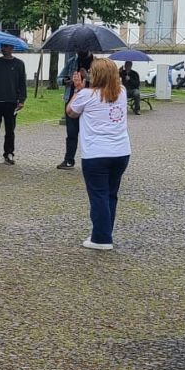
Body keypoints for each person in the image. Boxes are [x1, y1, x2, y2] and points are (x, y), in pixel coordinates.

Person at [66, 58, 131, 251]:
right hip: (121, 152)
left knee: (98, 195)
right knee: (110, 194)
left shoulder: (87, 95)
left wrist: (77, 90)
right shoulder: (122, 92)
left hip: (96, 153)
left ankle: (101, 238)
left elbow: (71, 112)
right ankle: (105, 232)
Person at [0, 43, 26, 164]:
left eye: (6, 47)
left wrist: (22, 100)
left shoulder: (19, 64)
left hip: (12, 102)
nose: (3, 49)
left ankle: (9, 153)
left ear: (12, 48)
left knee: (10, 130)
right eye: (2, 46)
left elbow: (22, 83)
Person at [57, 50, 94, 170]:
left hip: (91, 101)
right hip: (73, 99)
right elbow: (59, 79)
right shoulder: (72, 62)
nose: (80, 49)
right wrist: (66, 81)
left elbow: (102, 82)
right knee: (72, 132)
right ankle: (69, 160)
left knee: (90, 133)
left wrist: (87, 77)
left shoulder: (97, 63)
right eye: (78, 47)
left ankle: (92, 160)